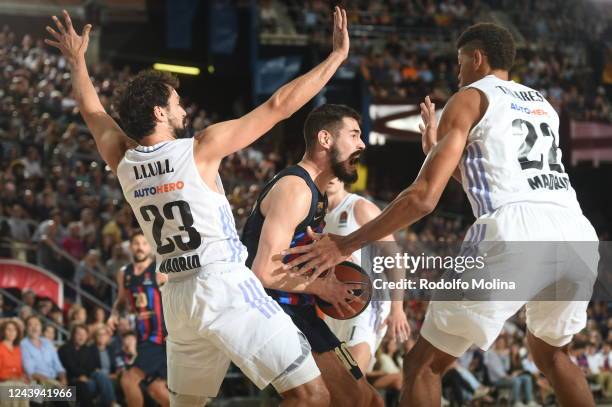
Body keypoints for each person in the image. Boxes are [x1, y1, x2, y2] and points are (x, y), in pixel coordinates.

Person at [281, 23, 599, 407]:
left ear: (477, 58)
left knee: (423, 365)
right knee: (552, 354)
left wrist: (344, 245)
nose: (458, 71)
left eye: (460, 62)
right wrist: (440, 154)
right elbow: (500, 177)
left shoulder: (469, 98)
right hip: (576, 230)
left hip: (516, 229)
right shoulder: (542, 105)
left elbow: (422, 198)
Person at [45, 6, 350, 405]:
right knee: (312, 396)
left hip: (178, 299)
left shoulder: (122, 159)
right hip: (223, 284)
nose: (183, 110)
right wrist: (335, 59)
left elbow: (92, 110)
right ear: (159, 112)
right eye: (176, 104)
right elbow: (279, 106)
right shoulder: (200, 149)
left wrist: (77, 61)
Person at [241, 104, 382, 407]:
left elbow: (293, 255)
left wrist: (323, 267)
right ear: (325, 140)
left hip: (299, 309)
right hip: (270, 308)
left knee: (366, 399)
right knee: (314, 399)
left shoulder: (316, 195)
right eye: (354, 134)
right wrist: (323, 287)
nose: (362, 144)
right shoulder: (295, 188)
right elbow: (262, 271)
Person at [323, 178, 410, 374]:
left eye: (337, 172)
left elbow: (394, 256)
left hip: (367, 301)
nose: (331, 177)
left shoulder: (359, 207)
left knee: (351, 377)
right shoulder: (313, 214)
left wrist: (398, 308)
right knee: (343, 387)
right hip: (334, 306)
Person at [107, 231, 168, 407]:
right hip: (143, 336)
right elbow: (121, 300)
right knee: (156, 389)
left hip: (159, 337)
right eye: (136, 243)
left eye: (144, 243)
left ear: (150, 247)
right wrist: (114, 315)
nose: (140, 247)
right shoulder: (124, 273)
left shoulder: (159, 270)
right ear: (130, 247)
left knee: (128, 380)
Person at [58, 324, 116, 407]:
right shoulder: (65, 349)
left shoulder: (87, 349)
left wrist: (85, 375)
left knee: (100, 375)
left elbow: (91, 367)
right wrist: (82, 375)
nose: (81, 337)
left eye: (84, 334)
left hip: (87, 379)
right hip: (72, 381)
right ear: (73, 335)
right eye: (79, 334)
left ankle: (111, 404)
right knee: (95, 385)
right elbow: (71, 368)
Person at [20, 315, 67, 388]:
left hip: (54, 380)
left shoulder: (48, 343)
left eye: (37, 324)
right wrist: (52, 382)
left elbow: (58, 366)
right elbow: (31, 372)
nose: (34, 328)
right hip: (37, 382)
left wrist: (63, 379)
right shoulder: (23, 344)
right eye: (30, 325)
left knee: (72, 392)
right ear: (26, 328)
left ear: (41, 327)